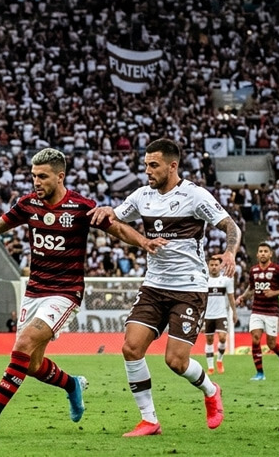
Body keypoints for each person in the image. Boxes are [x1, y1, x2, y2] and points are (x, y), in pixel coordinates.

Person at [0, 147, 165, 435]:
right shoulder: (28, 204)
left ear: (60, 176)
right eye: (33, 176)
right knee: (31, 364)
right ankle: (72, 384)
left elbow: (117, 228)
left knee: (23, 344)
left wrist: (143, 242)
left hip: (65, 292)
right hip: (34, 291)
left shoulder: (81, 207)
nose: (36, 182)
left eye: (42, 176)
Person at [89, 138, 241, 437]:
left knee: (176, 361)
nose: (148, 170)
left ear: (172, 166)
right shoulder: (142, 196)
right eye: (146, 165)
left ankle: (211, 390)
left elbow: (230, 225)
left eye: (154, 165)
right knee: (131, 348)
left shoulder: (195, 195)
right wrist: (108, 211)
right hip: (154, 286)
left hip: (189, 288)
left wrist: (230, 252)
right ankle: (149, 420)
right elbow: (114, 219)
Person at [237, 242, 279, 381]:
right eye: (260, 251)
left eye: (265, 251)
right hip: (257, 310)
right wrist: (243, 297)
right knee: (255, 339)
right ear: (257, 254)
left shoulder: (277, 270)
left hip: (272, 311)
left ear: (270, 254)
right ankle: (260, 373)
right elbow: (251, 288)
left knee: (271, 344)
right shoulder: (253, 270)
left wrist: (274, 293)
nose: (263, 253)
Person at [203, 256, 236, 374]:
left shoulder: (226, 280)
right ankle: (210, 367)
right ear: (208, 266)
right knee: (209, 340)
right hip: (208, 315)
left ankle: (220, 360)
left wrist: (234, 312)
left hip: (221, 314)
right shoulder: (204, 280)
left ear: (220, 266)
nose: (214, 267)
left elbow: (231, 297)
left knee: (222, 337)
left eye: (216, 265)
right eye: (211, 265)